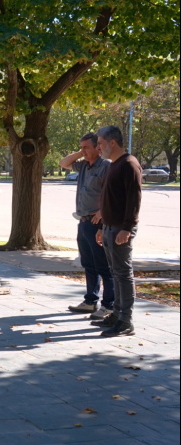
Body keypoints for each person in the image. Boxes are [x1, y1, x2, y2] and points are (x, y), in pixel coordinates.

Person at [93, 125, 142, 337]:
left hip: (121, 229)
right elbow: (110, 199)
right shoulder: (114, 164)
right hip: (109, 228)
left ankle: (125, 320)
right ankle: (116, 313)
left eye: (101, 144)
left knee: (123, 274)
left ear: (112, 143)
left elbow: (134, 200)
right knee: (114, 272)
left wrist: (127, 228)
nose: (98, 148)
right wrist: (103, 227)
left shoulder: (129, 164)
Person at [59, 132, 114, 319]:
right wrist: (81, 152)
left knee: (103, 266)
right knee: (88, 263)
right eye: (81, 147)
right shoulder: (83, 165)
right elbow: (63, 163)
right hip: (82, 222)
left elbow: (112, 194)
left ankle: (109, 305)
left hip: (97, 222)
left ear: (97, 148)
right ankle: (91, 300)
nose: (83, 151)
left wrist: (102, 214)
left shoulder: (105, 166)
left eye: (86, 147)